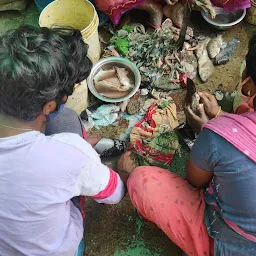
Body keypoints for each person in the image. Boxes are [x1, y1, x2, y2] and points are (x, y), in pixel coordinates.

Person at [0, 25, 132, 256]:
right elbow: (114, 194)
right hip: (56, 250)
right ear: (49, 106)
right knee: (68, 122)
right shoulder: (71, 152)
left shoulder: (69, 152)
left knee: (66, 123)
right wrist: (120, 172)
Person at [126, 35, 256, 255]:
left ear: (249, 82)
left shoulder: (217, 138)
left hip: (234, 246)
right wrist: (220, 116)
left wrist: (210, 131)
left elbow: (196, 181)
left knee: (142, 181)